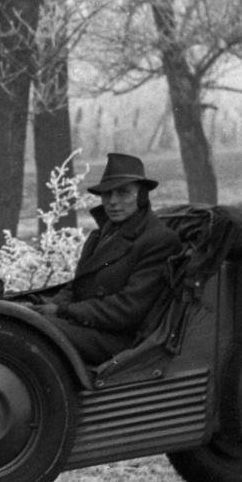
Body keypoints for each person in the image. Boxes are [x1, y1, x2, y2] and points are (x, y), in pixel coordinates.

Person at [32, 151, 181, 364]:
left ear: (141, 196)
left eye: (123, 193)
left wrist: (62, 311)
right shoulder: (102, 234)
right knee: (24, 320)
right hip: (91, 326)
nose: (112, 202)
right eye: (107, 194)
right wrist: (50, 306)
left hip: (125, 342)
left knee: (36, 333)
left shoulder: (158, 240)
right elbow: (78, 286)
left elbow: (128, 310)